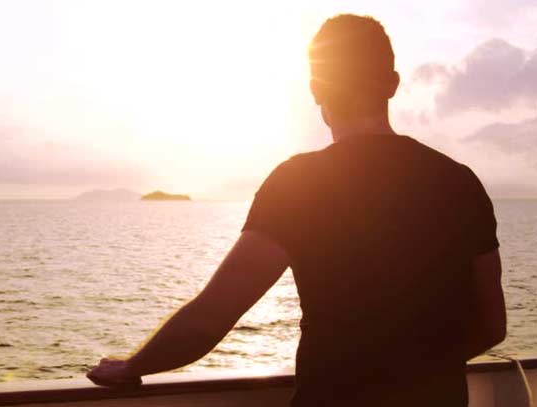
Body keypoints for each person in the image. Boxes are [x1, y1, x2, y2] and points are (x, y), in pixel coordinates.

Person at [87, 14, 506, 407]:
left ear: (316, 89)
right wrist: (421, 365)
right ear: (392, 84)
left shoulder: (301, 183)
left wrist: (133, 366)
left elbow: (212, 316)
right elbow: (492, 327)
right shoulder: (460, 183)